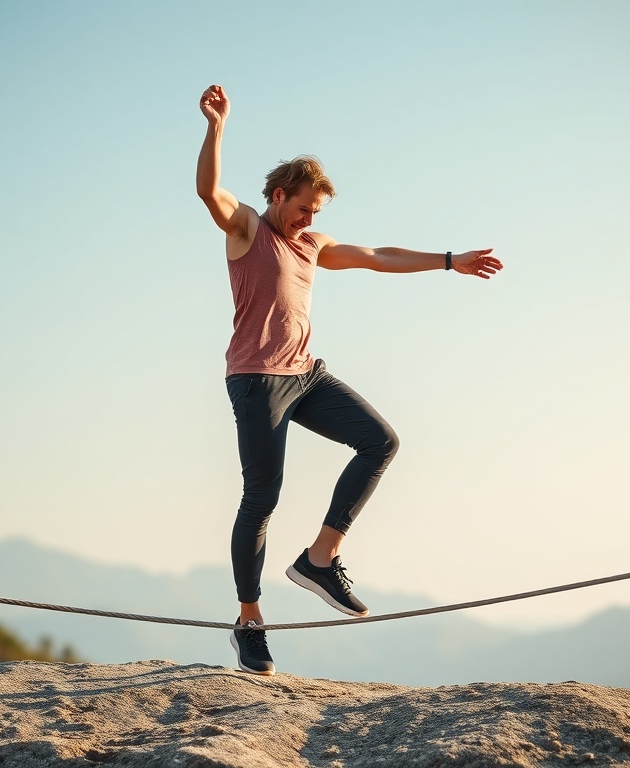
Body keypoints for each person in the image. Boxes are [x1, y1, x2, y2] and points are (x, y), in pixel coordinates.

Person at [196, 84, 503, 676]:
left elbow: (377, 255)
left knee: (381, 441)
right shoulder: (247, 230)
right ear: (279, 195)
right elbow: (209, 190)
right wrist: (216, 128)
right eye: (305, 208)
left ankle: (319, 558)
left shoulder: (312, 245)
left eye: (318, 212)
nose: (311, 220)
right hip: (257, 380)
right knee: (262, 496)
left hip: (306, 376)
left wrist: (448, 261)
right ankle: (249, 620)